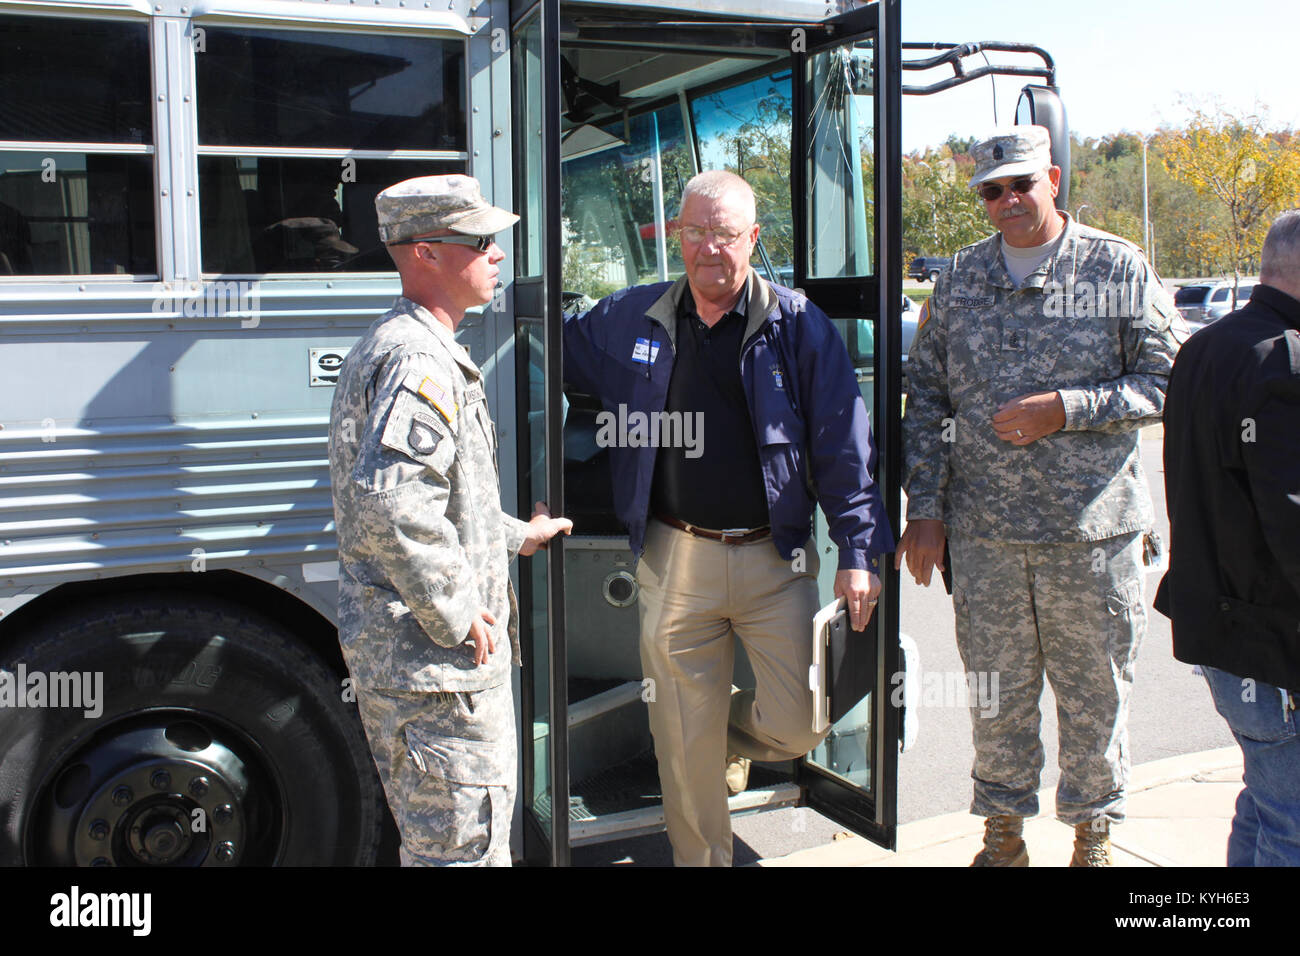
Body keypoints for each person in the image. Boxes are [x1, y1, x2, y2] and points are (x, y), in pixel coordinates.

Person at [563, 170, 893, 867]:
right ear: (677, 234)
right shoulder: (628, 317)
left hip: (775, 560)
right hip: (674, 558)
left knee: (799, 723)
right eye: (696, 231)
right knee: (682, 749)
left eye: (726, 233)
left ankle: (724, 736)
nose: (709, 248)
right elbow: (541, 349)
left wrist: (861, 552)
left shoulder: (798, 326)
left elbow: (844, 445)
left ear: (753, 238)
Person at [896, 126, 1184, 866]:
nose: (1008, 201)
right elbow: (924, 397)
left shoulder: (1115, 266)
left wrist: (1067, 408)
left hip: (1091, 536)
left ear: (1052, 178)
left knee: (1095, 698)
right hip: (987, 538)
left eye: (1021, 184)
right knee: (996, 696)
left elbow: (1168, 380)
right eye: (992, 191)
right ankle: (1002, 835)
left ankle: (1094, 836)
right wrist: (924, 509)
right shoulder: (959, 280)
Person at [328, 174, 571, 866]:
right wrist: (460, 611)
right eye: (480, 241)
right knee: (461, 853)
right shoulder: (417, 360)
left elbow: (439, 500)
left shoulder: (410, 344)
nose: (497, 254)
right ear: (425, 253)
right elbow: (393, 506)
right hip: (436, 672)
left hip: (429, 670)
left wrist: (518, 536)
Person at [1155, 209, 1300, 866]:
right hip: (1269, 644)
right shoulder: (1285, 356)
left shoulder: (1204, 346)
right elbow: (1289, 515)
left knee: (1267, 801)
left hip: (1218, 631)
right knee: (1290, 821)